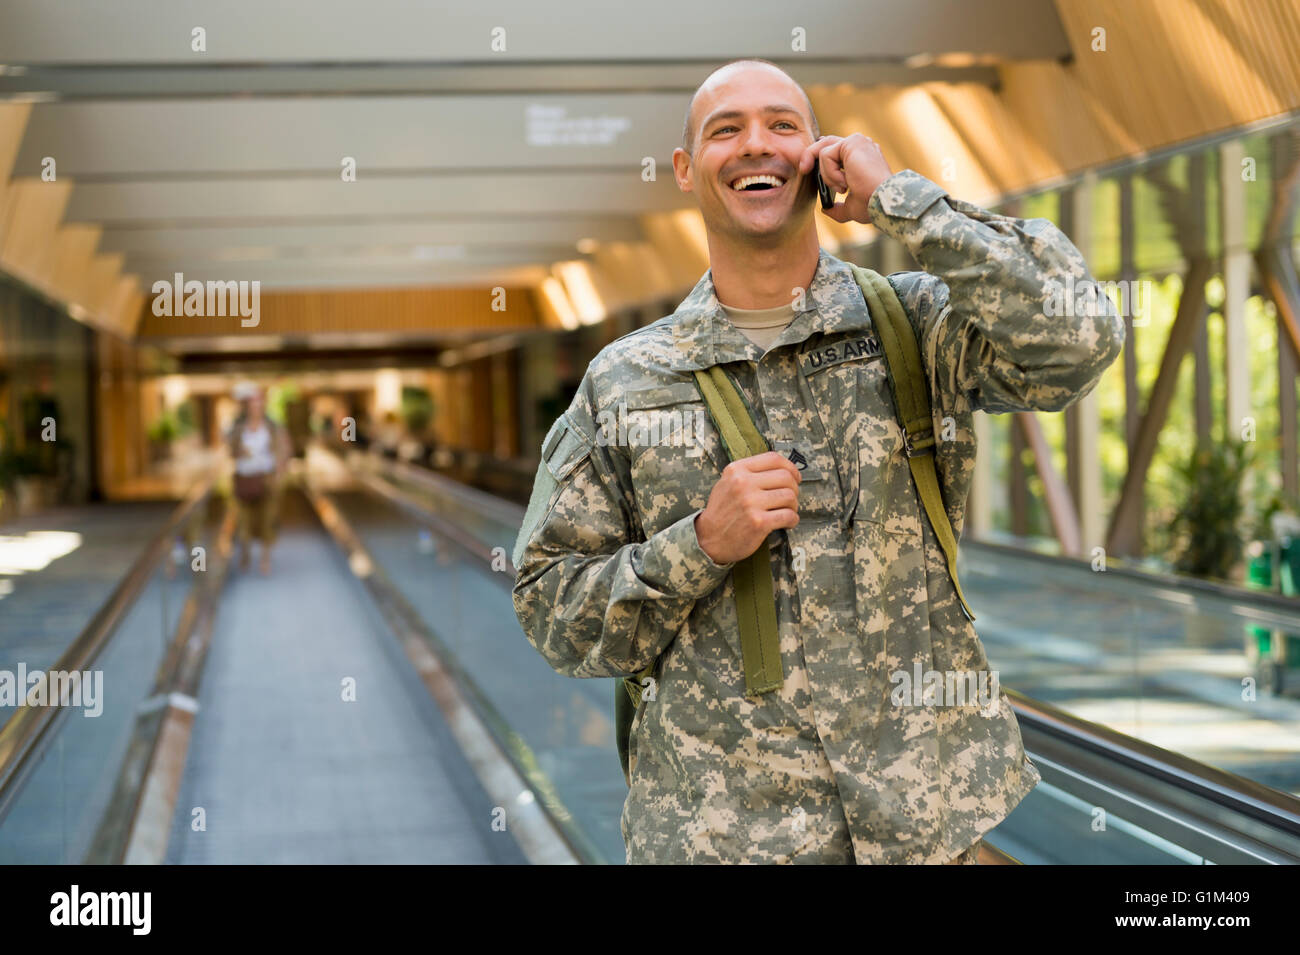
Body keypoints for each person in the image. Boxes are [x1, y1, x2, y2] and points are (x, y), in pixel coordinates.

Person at [511, 59, 1125, 864]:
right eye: (725, 130)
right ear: (688, 171)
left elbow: (1078, 336)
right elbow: (548, 607)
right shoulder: (627, 379)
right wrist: (698, 544)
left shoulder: (913, 325)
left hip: (925, 829)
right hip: (725, 840)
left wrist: (904, 199)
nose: (754, 145)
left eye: (783, 125)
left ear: (819, 157)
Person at [227, 383, 289, 575]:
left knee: (267, 520)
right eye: (252, 405)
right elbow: (230, 450)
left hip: (266, 480)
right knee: (244, 520)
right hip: (244, 479)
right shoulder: (238, 427)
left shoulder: (271, 427)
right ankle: (245, 550)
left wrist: (279, 470)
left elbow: (283, 449)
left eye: (258, 404)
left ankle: (265, 558)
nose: (256, 408)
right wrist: (240, 452)